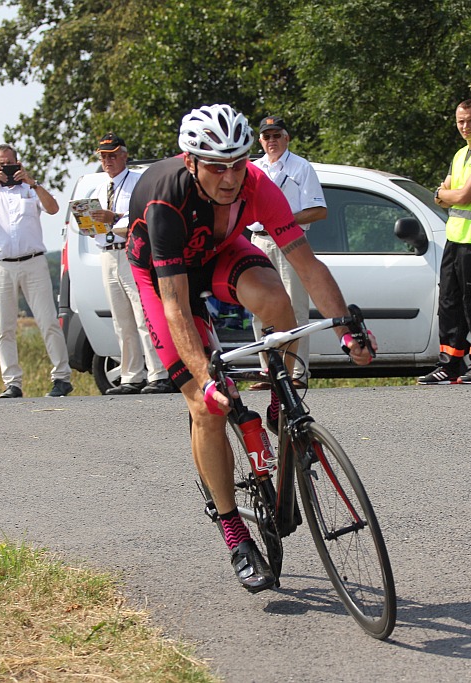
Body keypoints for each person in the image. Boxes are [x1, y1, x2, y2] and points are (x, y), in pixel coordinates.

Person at [127, 104, 375, 592]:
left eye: (238, 164)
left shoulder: (258, 185)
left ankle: (282, 394)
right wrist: (204, 379)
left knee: (276, 298)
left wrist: (347, 330)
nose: (230, 178)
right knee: (206, 407)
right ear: (190, 162)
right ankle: (235, 533)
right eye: (216, 167)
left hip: (220, 252)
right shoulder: (165, 200)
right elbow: (175, 306)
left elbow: (306, 264)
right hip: (163, 279)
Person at [0, 144, 73, 398]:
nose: (6, 168)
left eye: (10, 163)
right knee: (4, 327)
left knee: (48, 321)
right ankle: (12, 382)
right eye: (0, 165)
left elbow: (53, 208)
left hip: (33, 262)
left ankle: (61, 377)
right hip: (1, 265)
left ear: (18, 163)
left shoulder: (30, 190)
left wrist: (32, 182)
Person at [420, 98, 471, 385]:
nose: (465, 126)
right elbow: (441, 196)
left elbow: (459, 195)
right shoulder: (460, 155)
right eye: (460, 121)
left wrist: (451, 194)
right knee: (449, 302)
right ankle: (449, 365)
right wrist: (449, 194)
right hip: (455, 237)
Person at [83, 133, 172, 395]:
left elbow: (145, 215)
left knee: (145, 315)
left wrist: (113, 218)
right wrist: (89, 225)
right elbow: (96, 226)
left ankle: (159, 373)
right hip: (107, 252)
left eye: (112, 155)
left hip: (133, 251)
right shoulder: (100, 189)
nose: (107, 161)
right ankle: (131, 376)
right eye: (103, 156)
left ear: (124, 155)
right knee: (121, 319)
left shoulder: (138, 182)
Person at [248, 116, 328, 389]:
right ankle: (269, 372)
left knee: (295, 308)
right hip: (259, 240)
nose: (272, 141)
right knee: (260, 307)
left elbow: (319, 210)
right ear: (260, 140)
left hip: (290, 239)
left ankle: (297, 374)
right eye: (266, 136)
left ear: (286, 137)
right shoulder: (253, 168)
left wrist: (282, 219)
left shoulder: (301, 167)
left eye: (276, 135)